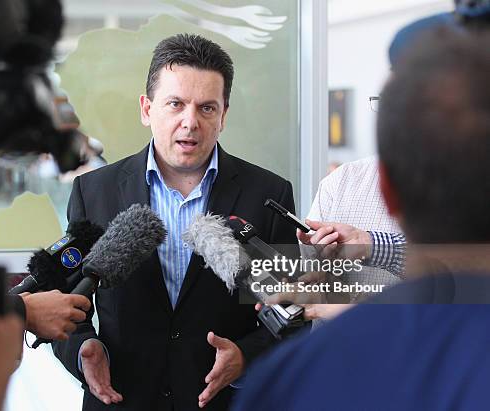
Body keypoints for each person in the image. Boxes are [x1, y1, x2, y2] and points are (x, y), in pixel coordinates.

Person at [233, 27, 490, 411]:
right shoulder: (344, 182)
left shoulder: (285, 384)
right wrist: (317, 276)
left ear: (388, 190)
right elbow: (308, 281)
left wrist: (364, 266)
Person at [52, 33, 300, 411]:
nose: (190, 122)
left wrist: (245, 356)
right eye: (175, 104)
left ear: (224, 115)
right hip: (123, 399)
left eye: (206, 108)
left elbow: (294, 316)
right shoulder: (94, 191)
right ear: (147, 109)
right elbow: (65, 302)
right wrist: (84, 347)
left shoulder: (269, 196)